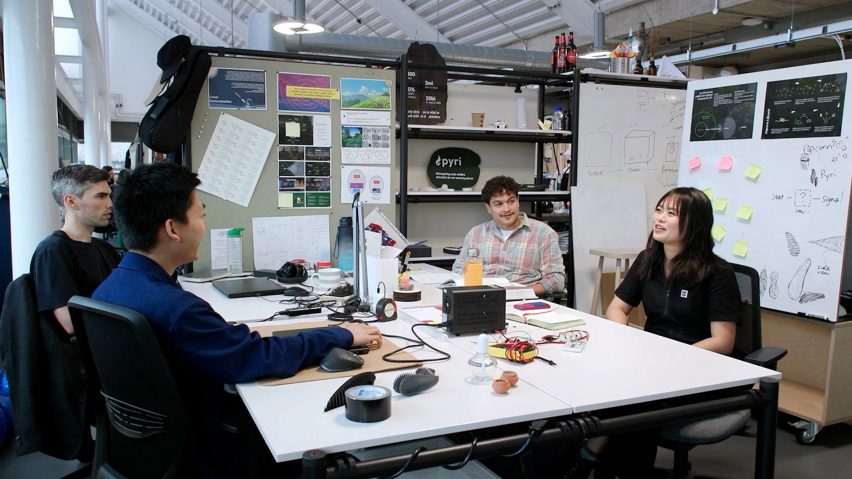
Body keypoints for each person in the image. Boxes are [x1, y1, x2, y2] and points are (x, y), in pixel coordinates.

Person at [93, 163, 382, 476]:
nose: (204, 225)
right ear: (173, 229)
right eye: (200, 216)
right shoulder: (178, 310)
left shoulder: (111, 287)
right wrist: (340, 336)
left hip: (147, 450)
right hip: (215, 451)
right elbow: (257, 357)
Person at [567, 187, 740, 479]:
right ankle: (595, 460)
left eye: (671, 214)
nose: (659, 218)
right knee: (606, 381)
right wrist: (627, 342)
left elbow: (723, 341)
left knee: (636, 400)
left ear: (694, 223)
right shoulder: (649, 259)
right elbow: (616, 309)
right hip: (650, 363)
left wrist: (670, 357)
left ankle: (591, 455)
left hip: (698, 366)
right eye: (659, 210)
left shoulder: (717, 272)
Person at [30, 164, 121, 335]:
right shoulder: (53, 251)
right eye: (101, 196)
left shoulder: (105, 249)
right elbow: (70, 323)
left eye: (109, 196)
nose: (110, 204)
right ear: (71, 201)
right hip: (83, 355)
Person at [452, 175, 565, 297]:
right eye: (498, 204)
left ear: (518, 200)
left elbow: (557, 279)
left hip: (523, 301)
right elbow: (458, 271)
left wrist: (523, 292)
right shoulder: (475, 234)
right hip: (480, 300)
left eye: (511, 201)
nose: (507, 209)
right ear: (488, 208)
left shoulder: (544, 233)